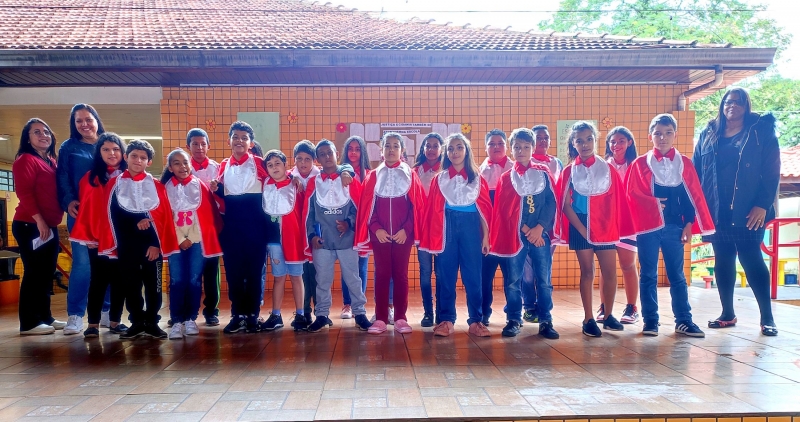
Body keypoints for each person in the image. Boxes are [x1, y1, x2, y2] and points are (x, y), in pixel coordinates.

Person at [693, 87, 781, 336]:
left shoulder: (760, 133)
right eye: (728, 102)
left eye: (739, 102)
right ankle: (727, 313)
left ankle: (767, 317)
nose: (732, 106)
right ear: (722, 105)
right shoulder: (709, 133)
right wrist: (697, 209)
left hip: (749, 210)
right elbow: (696, 172)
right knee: (723, 259)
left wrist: (763, 205)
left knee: (752, 259)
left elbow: (772, 172)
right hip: (717, 211)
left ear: (747, 106)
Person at [73, 139, 179, 339]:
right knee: (131, 286)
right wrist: (136, 223)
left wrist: (156, 244)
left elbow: (164, 217)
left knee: (153, 286)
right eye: (134, 156)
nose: (138, 160)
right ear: (126, 157)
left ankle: (152, 321)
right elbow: (111, 214)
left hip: (151, 247)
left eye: (143, 158)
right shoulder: (115, 183)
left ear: (149, 162)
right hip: (126, 245)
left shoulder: (157, 185)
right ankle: (137, 321)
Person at [628, 114, 715, 337]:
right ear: (650, 136)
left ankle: (684, 320)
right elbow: (632, 195)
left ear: (675, 135)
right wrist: (652, 203)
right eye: (657, 133)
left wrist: (689, 224)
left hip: (675, 227)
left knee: (677, 275)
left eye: (668, 133)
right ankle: (650, 321)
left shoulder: (684, 163)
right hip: (648, 229)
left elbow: (691, 196)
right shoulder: (640, 164)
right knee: (648, 275)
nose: (662, 138)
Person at [556, 121, 629, 337]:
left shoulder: (608, 168)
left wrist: (608, 225)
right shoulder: (569, 170)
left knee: (610, 271)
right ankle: (588, 318)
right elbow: (565, 204)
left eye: (589, 139)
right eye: (579, 140)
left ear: (596, 141)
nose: (585, 144)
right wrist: (581, 229)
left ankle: (607, 315)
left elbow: (617, 201)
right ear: (573, 143)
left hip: (604, 224)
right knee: (587, 271)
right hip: (580, 224)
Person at [421, 133, 493, 338]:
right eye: (451, 149)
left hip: (471, 229)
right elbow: (433, 212)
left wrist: (486, 237)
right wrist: (435, 240)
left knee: (473, 276)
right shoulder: (439, 179)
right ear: (446, 153)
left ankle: (476, 320)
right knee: (445, 275)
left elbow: (484, 210)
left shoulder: (478, 178)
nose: (455, 152)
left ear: (466, 150)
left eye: (459, 147)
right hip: (447, 229)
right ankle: (446, 320)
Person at [490, 128, 559, 339]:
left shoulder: (544, 173)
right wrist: (525, 229)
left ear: (532, 148)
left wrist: (539, 228)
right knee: (513, 280)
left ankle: (546, 320)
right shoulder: (505, 178)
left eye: (526, 147)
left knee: (544, 279)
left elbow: (550, 203)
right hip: (516, 236)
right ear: (511, 150)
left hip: (541, 236)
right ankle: (513, 319)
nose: (521, 151)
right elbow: (503, 209)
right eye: (517, 147)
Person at [356, 133, 425, 334]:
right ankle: (380, 318)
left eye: (396, 146)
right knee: (382, 274)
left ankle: (401, 317)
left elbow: (416, 206)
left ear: (402, 150)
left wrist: (407, 230)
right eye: (388, 146)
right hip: (380, 236)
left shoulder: (410, 174)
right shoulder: (373, 176)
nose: (392, 149)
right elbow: (369, 207)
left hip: (404, 235)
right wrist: (376, 229)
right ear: (381, 149)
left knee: (401, 275)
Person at [303, 140, 372, 333]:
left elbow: (356, 207)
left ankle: (359, 313)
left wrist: (348, 223)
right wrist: (311, 236)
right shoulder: (314, 182)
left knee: (353, 279)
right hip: (322, 242)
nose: (326, 157)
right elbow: (308, 213)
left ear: (336, 154)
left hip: (346, 240)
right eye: (322, 154)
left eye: (329, 153)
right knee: (322, 280)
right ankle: (322, 315)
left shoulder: (347, 178)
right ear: (318, 158)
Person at [210, 121, 270, 334]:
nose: (239, 141)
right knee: (234, 272)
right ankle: (237, 315)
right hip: (232, 228)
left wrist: (292, 180)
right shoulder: (223, 165)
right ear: (229, 141)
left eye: (244, 138)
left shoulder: (261, 163)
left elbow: (277, 178)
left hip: (256, 227)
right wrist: (215, 190)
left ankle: (252, 314)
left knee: (254, 272)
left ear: (251, 143)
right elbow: (222, 194)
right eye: (236, 137)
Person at [70, 133, 130, 338]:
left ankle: (115, 321)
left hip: (122, 239)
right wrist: (89, 237)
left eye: (115, 149)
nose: (111, 153)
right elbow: (88, 210)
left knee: (120, 281)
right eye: (106, 149)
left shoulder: (128, 176)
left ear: (122, 152)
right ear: (99, 153)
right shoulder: (90, 177)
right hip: (98, 239)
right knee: (98, 280)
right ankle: (93, 323)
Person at [56, 104, 107, 335]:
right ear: (74, 124)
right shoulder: (69, 147)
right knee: (83, 266)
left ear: (96, 120)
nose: (85, 124)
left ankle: (107, 312)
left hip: (107, 218)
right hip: (81, 215)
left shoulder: (108, 143)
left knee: (107, 265)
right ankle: (75, 315)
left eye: (88, 119)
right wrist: (68, 201)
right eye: (79, 121)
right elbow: (63, 176)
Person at [161, 148, 223, 340]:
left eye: (185, 162)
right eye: (177, 163)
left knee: (195, 279)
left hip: (197, 241)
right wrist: (181, 239)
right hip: (175, 241)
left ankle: (190, 318)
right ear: (170, 167)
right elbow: (165, 218)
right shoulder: (164, 189)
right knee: (177, 280)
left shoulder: (200, 186)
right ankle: (177, 320)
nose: (183, 166)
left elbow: (205, 217)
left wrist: (192, 239)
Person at [12, 118, 65, 335]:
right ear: (28, 138)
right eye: (37, 132)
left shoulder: (51, 161)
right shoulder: (25, 160)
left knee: (46, 273)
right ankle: (29, 322)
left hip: (49, 226)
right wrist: (40, 221)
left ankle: (45, 316)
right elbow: (24, 193)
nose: (43, 135)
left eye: (46, 131)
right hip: (30, 224)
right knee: (34, 272)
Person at [259, 149, 308, 332]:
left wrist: (293, 176)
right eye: (270, 165)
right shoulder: (265, 183)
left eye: (277, 163)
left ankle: (301, 314)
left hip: (293, 239)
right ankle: (276, 314)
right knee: (278, 278)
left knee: (296, 277)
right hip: (274, 241)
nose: (274, 167)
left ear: (286, 165)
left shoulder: (296, 184)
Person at [599, 126, 640, 324]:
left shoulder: (637, 165)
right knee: (605, 268)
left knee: (627, 264)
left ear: (629, 142)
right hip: (607, 222)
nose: (616, 145)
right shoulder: (603, 166)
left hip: (629, 222)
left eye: (621, 141)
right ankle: (604, 307)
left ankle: (632, 307)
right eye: (612, 142)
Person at [524, 125, 563, 323]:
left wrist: (543, 226)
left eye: (546, 138)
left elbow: (557, 197)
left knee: (544, 268)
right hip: (525, 228)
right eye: (538, 138)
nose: (543, 141)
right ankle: (529, 306)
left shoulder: (556, 164)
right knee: (527, 271)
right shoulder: (522, 165)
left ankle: (544, 310)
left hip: (549, 226)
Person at [187, 128, 222, 326]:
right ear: (188, 146)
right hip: (186, 227)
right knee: (188, 271)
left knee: (210, 270)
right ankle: (185, 312)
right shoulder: (181, 167)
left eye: (203, 144)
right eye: (195, 144)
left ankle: (211, 311)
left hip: (210, 227)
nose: (199, 148)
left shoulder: (217, 169)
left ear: (209, 146)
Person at [478, 129, 513, 326]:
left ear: (506, 146)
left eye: (500, 143)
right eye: (492, 144)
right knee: (485, 277)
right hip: (486, 236)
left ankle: (512, 314)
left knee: (511, 278)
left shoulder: (516, 170)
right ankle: (484, 313)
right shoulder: (479, 173)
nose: (496, 147)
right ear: (486, 148)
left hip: (509, 236)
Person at [339, 135, 372, 320]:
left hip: (364, 226)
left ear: (362, 152)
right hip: (346, 225)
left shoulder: (369, 173)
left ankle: (359, 304)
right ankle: (347, 304)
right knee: (347, 267)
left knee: (362, 267)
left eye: (357, 149)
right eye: (350, 148)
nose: (353, 152)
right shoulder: (340, 172)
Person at [412, 133, 444, 326]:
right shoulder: (415, 171)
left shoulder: (448, 170)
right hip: (422, 231)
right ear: (423, 149)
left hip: (441, 230)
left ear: (441, 149)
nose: (431, 149)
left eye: (435, 146)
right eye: (428, 146)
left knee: (441, 273)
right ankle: (427, 313)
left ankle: (441, 312)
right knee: (425, 273)